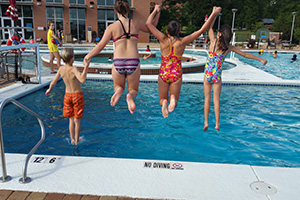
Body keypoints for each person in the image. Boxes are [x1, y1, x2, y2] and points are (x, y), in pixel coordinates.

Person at [83, 0, 160, 114]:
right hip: (133, 61)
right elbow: (151, 28)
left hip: (118, 61)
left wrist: (87, 56)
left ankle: (118, 91)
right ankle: (129, 96)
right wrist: (156, 12)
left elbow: (100, 46)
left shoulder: (112, 27)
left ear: (115, 11)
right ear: (128, 10)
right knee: (133, 90)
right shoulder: (136, 23)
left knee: (118, 86)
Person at [146, 5, 222, 118]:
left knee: (162, 99)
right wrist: (213, 13)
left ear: (167, 31)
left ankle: (164, 103)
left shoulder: (163, 38)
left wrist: (156, 11)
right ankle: (172, 99)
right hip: (176, 73)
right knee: (175, 102)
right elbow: (201, 30)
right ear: (179, 31)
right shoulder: (182, 42)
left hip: (164, 72)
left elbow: (148, 24)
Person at [203, 21, 267, 131]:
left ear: (219, 33)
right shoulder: (229, 47)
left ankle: (206, 122)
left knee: (207, 99)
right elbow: (245, 54)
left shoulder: (213, 42)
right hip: (217, 76)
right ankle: (217, 124)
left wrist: (213, 14)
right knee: (216, 100)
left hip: (207, 75)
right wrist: (260, 59)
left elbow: (209, 27)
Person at [45, 48, 90, 145]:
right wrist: (86, 67)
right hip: (77, 95)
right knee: (77, 120)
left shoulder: (61, 69)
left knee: (70, 119)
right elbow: (82, 80)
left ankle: (72, 139)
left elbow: (54, 81)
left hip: (67, 96)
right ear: (72, 58)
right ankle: (77, 141)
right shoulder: (73, 69)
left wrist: (50, 89)